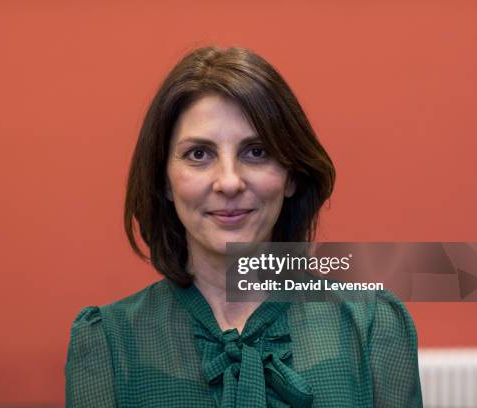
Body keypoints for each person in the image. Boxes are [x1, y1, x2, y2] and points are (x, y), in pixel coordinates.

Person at [65, 46, 423, 407]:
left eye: (256, 152)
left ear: (291, 175)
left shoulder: (373, 326)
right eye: (199, 155)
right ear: (165, 182)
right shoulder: (107, 344)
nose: (230, 182)